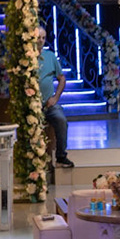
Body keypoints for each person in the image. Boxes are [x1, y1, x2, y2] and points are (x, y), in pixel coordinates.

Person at [36, 29, 73, 168]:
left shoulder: (50, 56)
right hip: (32, 105)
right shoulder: (26, 58)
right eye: (38, 37)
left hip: (49, 104)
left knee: (61, 120)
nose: (41, 40)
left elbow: (61, 78)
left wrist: (55, 97)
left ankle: (61, 156)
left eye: (43, 38)